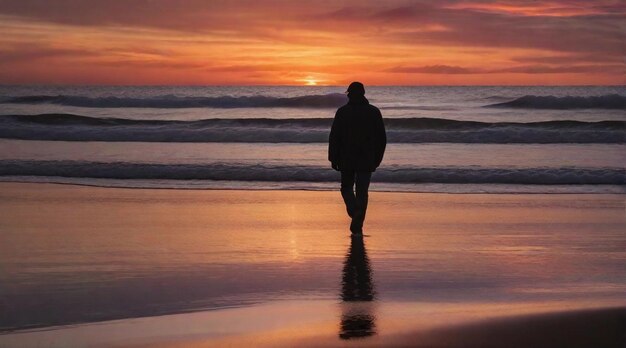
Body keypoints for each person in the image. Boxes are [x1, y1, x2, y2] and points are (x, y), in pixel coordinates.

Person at [329, 82, 386, 234]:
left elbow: (334, 136)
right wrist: (378, 158)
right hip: (366, 157)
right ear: (363, 94)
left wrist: (333, 157)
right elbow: (382, 138)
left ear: (349, 94)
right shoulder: (373, 112)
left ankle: (355, 213)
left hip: (346, 158)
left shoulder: (342, 112)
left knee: (346, 188)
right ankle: (358, 219)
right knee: (362, 191)